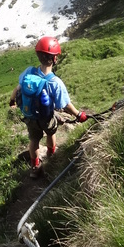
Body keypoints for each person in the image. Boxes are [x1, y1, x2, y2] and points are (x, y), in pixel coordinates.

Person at [9, 35, 88, 178]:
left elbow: (18, 87)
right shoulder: (55, 82)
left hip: (30, 116)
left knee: (33, 140)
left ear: (38, 56)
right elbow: (64, 105)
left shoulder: (29, 72)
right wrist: (78, 115)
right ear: (55, 58)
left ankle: (35, 166)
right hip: (46, 117)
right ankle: (52, 154)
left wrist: (12, 101)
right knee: (51, 133)